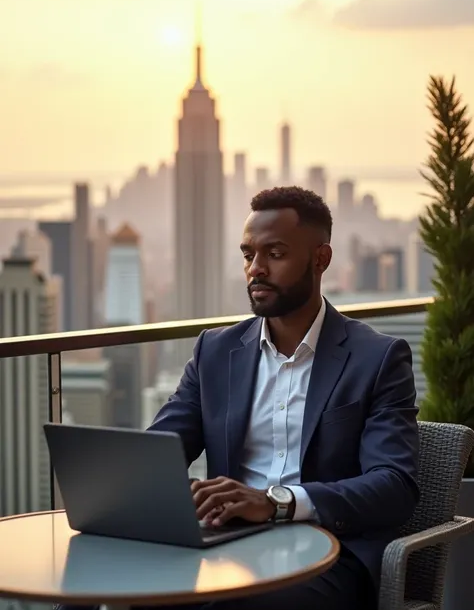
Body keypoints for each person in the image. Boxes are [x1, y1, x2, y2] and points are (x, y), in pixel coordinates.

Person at [59, 186, 419, 610]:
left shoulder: (377, 358)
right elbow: (159, 452)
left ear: (320, 259)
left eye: (275, 254)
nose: (256, 269)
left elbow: (393, 486)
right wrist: (146, 488)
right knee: (85, 587)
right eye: (249, 255)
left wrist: (275, 504)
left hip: (329, 556)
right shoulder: (215, 351)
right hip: (225, 546)